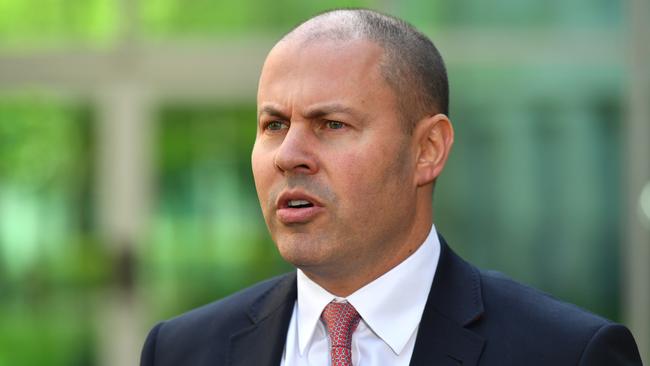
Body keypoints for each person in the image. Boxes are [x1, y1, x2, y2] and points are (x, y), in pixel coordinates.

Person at [140, 9, 642, 366]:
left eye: (331, 124)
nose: (288, 155)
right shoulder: (181, 350)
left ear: (427, 150)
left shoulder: (567, 353)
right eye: (273, 125)